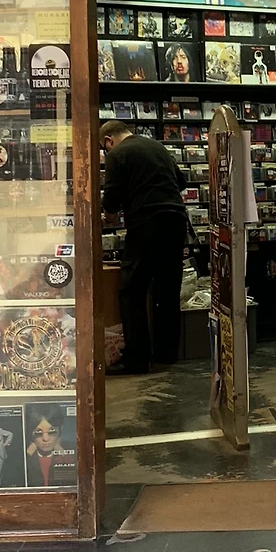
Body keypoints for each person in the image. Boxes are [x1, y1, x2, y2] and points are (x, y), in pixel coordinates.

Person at [100, 120, 189, 374]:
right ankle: (166, 354)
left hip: (146, 223)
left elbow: (112, 196)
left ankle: (136, 359)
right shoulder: (157, 146)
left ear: (108, 141)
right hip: (175, 221)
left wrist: (109, 216)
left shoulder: (117, 154)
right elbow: (181, 182)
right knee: (168, 290)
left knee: (132, 290)